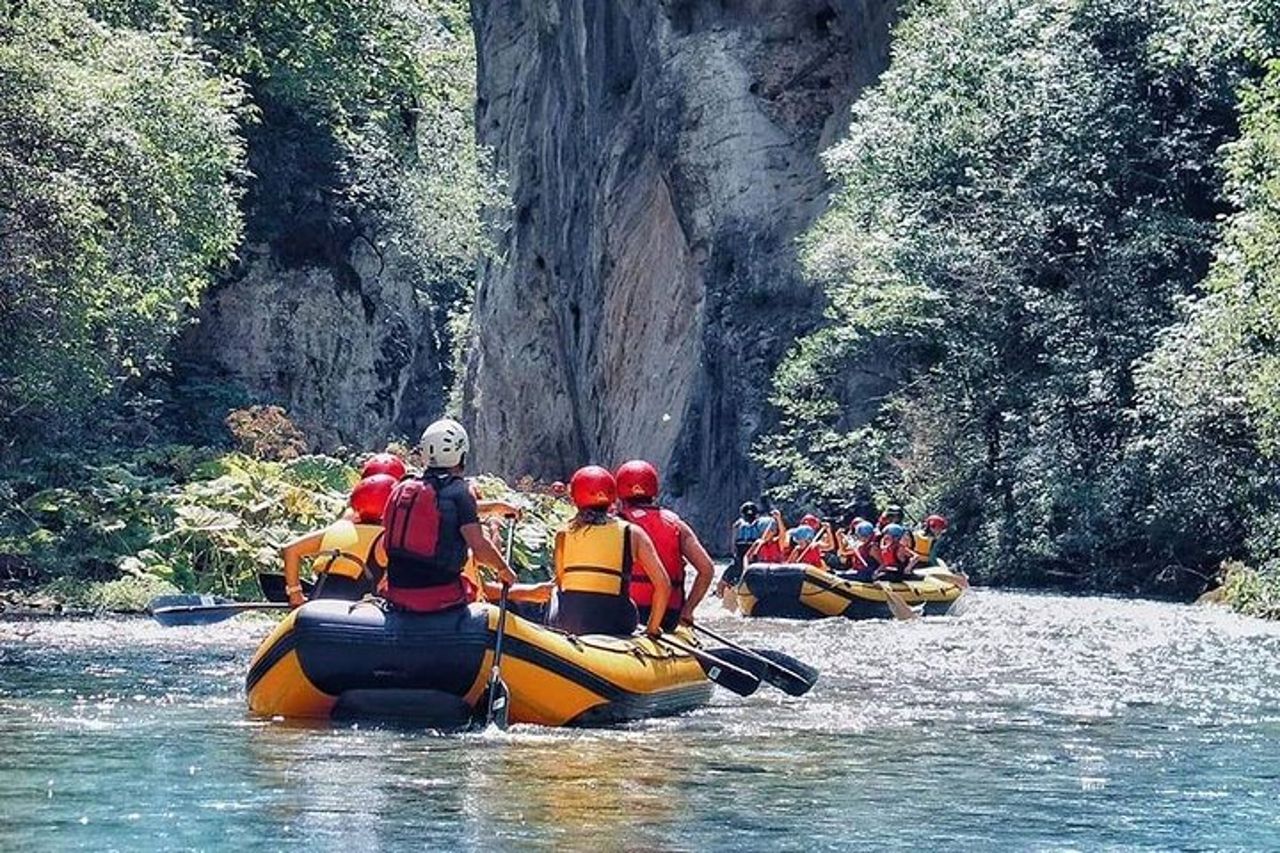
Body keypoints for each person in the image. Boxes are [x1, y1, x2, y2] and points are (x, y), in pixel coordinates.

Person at [376, 418, 518, 613]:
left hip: (396, 591)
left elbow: (445, 509)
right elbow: (479, 548)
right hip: (440, 595)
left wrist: (495, 507)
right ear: (461, 455)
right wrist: (503, 569)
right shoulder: (460, 491)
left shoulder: (403, 488)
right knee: (472, 589)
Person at [542, 465, 671, 637]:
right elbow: (663, 584)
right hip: (616, 621)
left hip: (570, 620)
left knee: (554, 593)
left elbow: (561, 581)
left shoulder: (562, 534)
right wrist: (652, 628)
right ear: (612, 497)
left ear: (574, 499)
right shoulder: (632, 532)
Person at [614, 459, 715, 631]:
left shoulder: (616, 524)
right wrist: (687, 611)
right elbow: (707, 569)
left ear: (619, 492)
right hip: (669, 616)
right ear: (653, 490)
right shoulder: (676, 524)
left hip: (626, 614)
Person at [281, 474, 396, 608]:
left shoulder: (336, 529)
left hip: (316, 606)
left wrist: (295, 593)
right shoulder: (387, 539)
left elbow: (290, 549)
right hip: (357, 612)